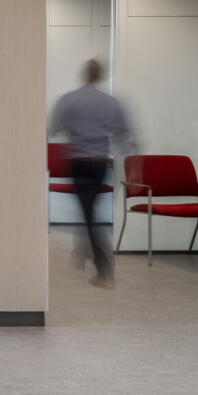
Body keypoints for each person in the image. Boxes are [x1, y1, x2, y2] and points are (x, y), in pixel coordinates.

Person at [48, 59, 134, 288]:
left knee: (89, 214)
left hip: (78, 163)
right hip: (100, 164)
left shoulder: (69, 100)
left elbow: (52, 129)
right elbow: (124, 135)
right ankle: (83, 246)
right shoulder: (111, 102)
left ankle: (105, 270)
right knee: (89, 210)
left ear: (84, 74)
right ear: (101, 76)